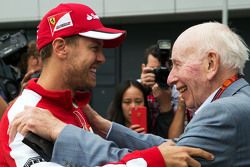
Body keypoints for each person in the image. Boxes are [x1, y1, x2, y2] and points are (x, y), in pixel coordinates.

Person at [9, 21, 250, 166]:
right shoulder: (235, 101)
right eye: (94, 48)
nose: (169, 78)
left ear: (211, 64)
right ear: (60, 48)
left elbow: (171, 158)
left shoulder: (223, 111)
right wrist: (104, 126)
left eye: (177, 64)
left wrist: (58, 131)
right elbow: (169, 148)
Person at [0, 2, 125, 166]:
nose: (102, 58)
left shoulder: (74, 104)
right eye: (94, 48)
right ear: (60, 48)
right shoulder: (25, 115)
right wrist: (154, 158)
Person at [140, 44, 186, 138]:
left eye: (163, 70)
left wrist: (166, 103)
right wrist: (142, 89)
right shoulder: (135, 89)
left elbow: (175, 138)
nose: (159, 74)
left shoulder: (180, 92)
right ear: (143, 68)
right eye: (154, 70)